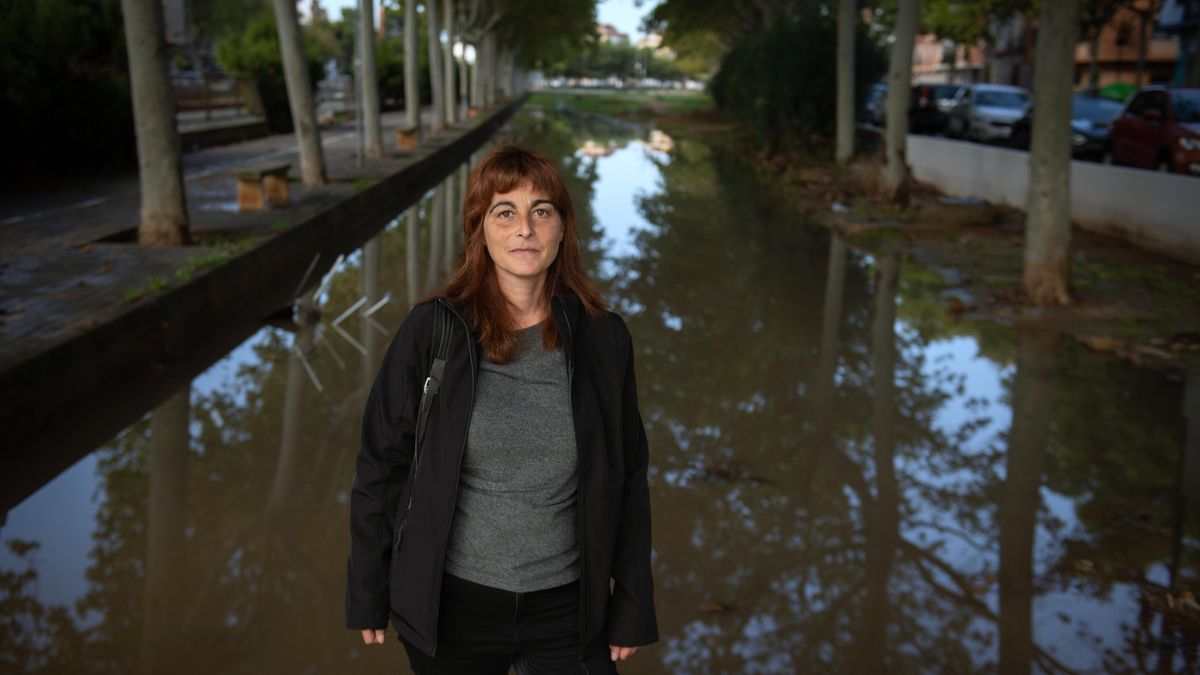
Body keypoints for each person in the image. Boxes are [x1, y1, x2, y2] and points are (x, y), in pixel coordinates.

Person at [345, 145, 659, 673]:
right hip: (452, 605)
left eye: (542, 211)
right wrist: (367, 590)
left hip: (570, 607)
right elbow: (381, 465)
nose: (525, 229)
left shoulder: (604, 337)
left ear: (563, 228)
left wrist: (630, 604)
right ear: (480, 230)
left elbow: (627, 476)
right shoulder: (432, 330)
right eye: (504, 211)